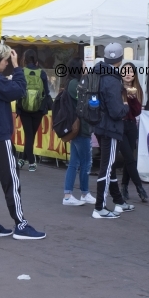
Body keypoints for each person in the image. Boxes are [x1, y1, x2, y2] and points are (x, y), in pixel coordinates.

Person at [0, 41, 46, 240]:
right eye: (5, 60)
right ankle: (20, 225)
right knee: (11, 182)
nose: (7, 63)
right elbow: (19, 90)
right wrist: (17, 68)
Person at [91, 43, 133, 219]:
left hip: (98, 125)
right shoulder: (112, 79)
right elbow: (116, 111)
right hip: (110, 127)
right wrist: (126, 106)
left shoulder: (97, 72)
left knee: (109, 164)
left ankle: (119, 200)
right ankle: (99, 207)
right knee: (107, 167)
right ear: (120, 59)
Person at [63, 58, 95, 206]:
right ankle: (84, 192)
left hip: (78, 128)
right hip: (81, 128)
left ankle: (69, 194)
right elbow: (87, 99)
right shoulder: (75, 84)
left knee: (74, 162)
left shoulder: (73, 83)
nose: (86, 67)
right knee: (86, 162)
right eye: (84, 65)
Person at [119, 62, 148, 202]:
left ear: (134, 74)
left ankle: (124, 186)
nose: (127, 74)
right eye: (125, 71)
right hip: (119, 126)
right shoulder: (117, 89)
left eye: (130, 71)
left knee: (128, 158)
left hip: (131, 126)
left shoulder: (137, 89)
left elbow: (137, 113)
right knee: (130, 159)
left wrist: (133, 100)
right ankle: (139, 187)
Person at [17, 49, 50, 172]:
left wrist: (19, 107)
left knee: (28, 135)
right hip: (38, 109)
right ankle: (31, 161)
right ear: (36, 59)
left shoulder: (21, 72)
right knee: (31, 135)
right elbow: (46, 92)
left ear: (24, 59)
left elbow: (18, 90)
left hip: (24, 108)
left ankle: (22, 159)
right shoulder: (42, 73)